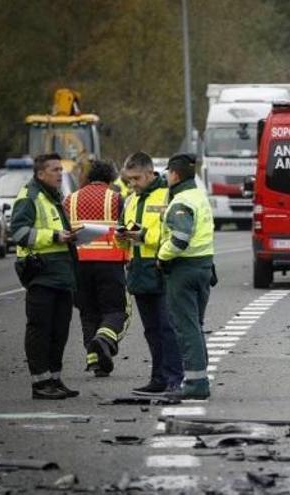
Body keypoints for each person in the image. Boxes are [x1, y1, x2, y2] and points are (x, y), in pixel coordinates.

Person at [10, 153, 79, 399]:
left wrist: (72, 235)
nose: (60, 173)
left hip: (61, 274)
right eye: (55, 170)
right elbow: (18, 232)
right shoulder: (30, 196)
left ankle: (54, 378)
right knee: (40, 329)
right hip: (41, 275)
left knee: (59, 331)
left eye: (61, 169)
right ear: (40, 174)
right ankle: (40, 384)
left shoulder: (54, 197)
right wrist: (54, 236)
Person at [115, 152, 183, 395]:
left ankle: (175, 379)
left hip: (162, 270)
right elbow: (126, 243)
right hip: (139, 273)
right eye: (128, 180)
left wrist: (143, 236)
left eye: (136, 179)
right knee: (152, 330)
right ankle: (158, 378)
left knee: (168, 328)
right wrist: (121, 237)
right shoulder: (131, 199)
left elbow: (174, 233)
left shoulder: (168, 194)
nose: (132, 184)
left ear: (149, 172)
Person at [63, 160, 130, 378]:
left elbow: (64, 231)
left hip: (79, 264)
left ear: (88, 177)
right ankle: (104, 339)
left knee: (88, 311)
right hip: (110, 262)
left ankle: (95, 361)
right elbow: (124, 230)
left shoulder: (70, 200)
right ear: (111, 178)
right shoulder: (115, 198)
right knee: (115, 310)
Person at [158, 153, 215, 400]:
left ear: (174, 174)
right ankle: (200, 378)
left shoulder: (181, 201)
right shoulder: (199, 197)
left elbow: (180, 238)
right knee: (196, 325)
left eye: (167, 173)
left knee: (186, 327)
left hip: (184, 269)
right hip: (204, 267)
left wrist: (162, 256)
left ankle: (195, 385)